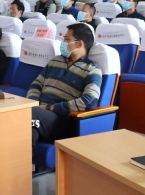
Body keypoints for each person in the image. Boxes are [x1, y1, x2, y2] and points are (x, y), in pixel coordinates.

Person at [28, 24, 102, 153]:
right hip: (39, 114)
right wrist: (34, 102)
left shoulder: (92, 70)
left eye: (67, 39)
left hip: (62, 121)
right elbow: (36, 84)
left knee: (29, 113)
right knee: (27, 127)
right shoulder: (55, 61)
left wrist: (49, 108)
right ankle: (22, 162)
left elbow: (90, 101)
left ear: (79, 43)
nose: (62, 43)